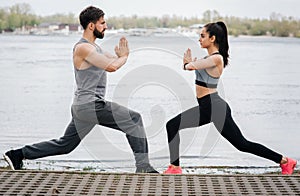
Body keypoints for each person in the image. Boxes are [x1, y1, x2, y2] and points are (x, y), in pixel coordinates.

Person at [3, 6, 158, 173]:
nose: (106, 26)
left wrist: (122, 56)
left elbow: (113, 59)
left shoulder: (95, 48)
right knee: (134, 119)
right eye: (102, 23)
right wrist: (124, 57)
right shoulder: (83, 48)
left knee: (65, 145)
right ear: (91, 26)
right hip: (91, 105)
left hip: (83, 107)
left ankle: (17, 154)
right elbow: (112, 66)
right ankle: (143, 167)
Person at [163, 21, 297, 175]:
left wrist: (187, 64)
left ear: (212, 38)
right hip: (207, 107)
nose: (199, 39)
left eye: (202, 36)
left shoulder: (217, 58)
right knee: (172, 125)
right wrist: (188, 64)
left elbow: (191, 66)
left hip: (215, 108)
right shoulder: (208, 58)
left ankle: (285, 161)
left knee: (242, 144)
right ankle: (175, 167)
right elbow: (192, 65)